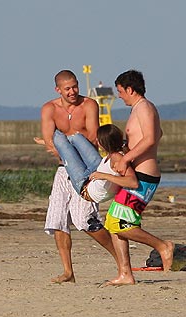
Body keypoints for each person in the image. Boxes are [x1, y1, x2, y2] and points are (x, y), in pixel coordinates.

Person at [38, 69, 118, 283]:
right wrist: (60, 146)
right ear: (58, 89)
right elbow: (50, 142)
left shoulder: (89, 104)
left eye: (75, 87)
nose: (73, 91)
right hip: (63, 170)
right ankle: (68, 272)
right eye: (68, 88)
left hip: (86, 169)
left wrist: (66, 143)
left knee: (85, 220)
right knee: (57, 220)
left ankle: (121, 261)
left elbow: (92, 136)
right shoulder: (49, 109)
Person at [103, 70, 174, 285]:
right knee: (112, 221)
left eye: (120, 91)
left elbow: (152, 139)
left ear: (130, 89)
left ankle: (162, 246)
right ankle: (125, 273)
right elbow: (156, 134)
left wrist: (127, 158)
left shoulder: (145, 107)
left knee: (119, 221)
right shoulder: (139, 109)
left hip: (144, 176)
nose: (119, 96)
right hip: (139, 172)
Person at [52, 124, 138, 203]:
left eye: (98, 139)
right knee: (76, 137)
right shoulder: (117, 150)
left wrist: (103, 176)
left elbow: (133, 182)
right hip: (95, 172)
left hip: (85, 187)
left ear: (103, 143)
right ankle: (54, 144)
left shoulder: (117, 158)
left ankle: (52, 143)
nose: (96, 141)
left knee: (59, 139)